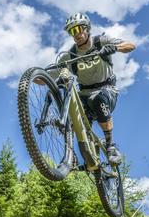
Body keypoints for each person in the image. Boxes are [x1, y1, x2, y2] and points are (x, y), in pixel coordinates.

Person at [51, 12, 135, 166]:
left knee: (98, 99)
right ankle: (71, 155)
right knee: (69, 116)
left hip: (106, 89)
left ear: (88, 27)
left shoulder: (101, 41)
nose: (76, 34)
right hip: (84, 93)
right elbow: (49, 76)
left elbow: (130, 45)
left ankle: (111, 146)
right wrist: (32, 78)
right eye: (72, 31)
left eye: (78, 29)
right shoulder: (70, 55)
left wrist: (114, 48)